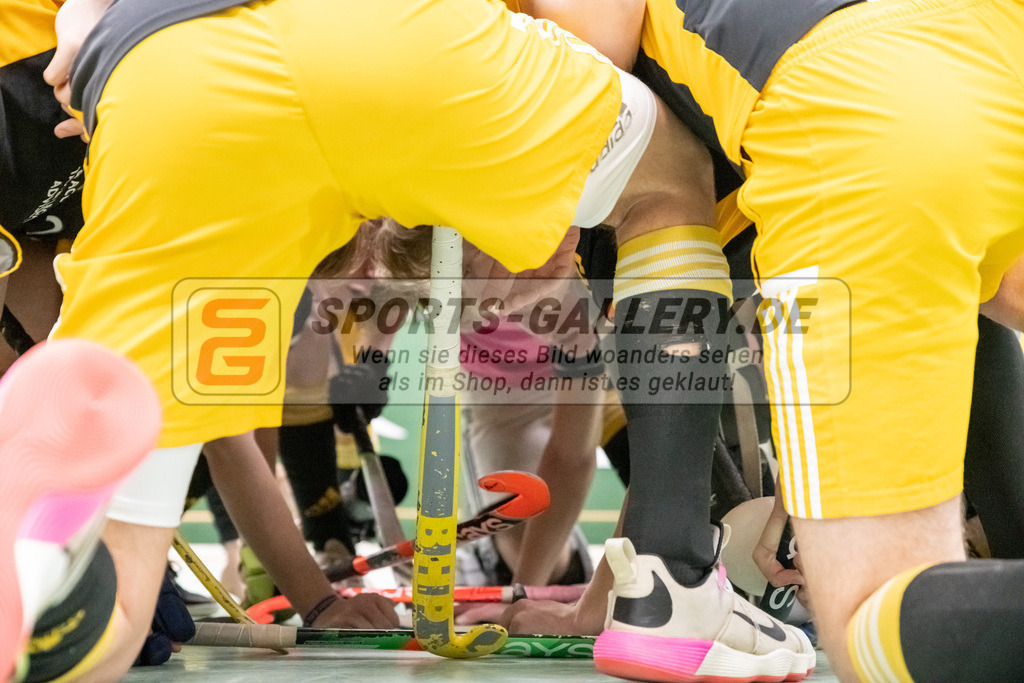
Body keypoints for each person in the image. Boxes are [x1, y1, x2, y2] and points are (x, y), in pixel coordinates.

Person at [0, 0, 820, 679]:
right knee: (665, 179)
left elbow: (78, 27)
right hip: (395, 35)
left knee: (112, 606)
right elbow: (600, 33)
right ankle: (672, 580)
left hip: (160, 68)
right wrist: (571, 174)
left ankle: (50, 589)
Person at [497, 0, 1024, 680]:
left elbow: (596, 65)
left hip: (854, 105)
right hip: (990, 53)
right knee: (987, 294)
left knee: (867, 622)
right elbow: (675, 442)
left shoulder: (603, 149)